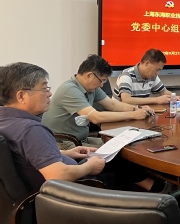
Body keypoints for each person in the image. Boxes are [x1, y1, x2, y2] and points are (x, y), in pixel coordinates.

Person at [0, 62, 162, 193]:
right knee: (120, 166)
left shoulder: (7, 119)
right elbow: (58, 175)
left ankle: (156, 189)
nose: (50, 94)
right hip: (70, 191)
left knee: (115, 158)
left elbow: (26, 155)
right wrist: (89, 167)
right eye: (44, 88)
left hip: (61, 169)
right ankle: (149, 200)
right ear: (21, 96)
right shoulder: (31, 130)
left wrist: (66, 153)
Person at [42, 54, 153, 147]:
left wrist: (137, 108)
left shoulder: (91, 88)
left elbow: (112, 104)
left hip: (81, 139)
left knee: (124, 145)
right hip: (64, 143)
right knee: (119, 153)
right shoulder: (69, 89)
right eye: (102, 80)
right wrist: (134, 115)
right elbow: (95, 117)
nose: (102, 85)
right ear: (89, 75)